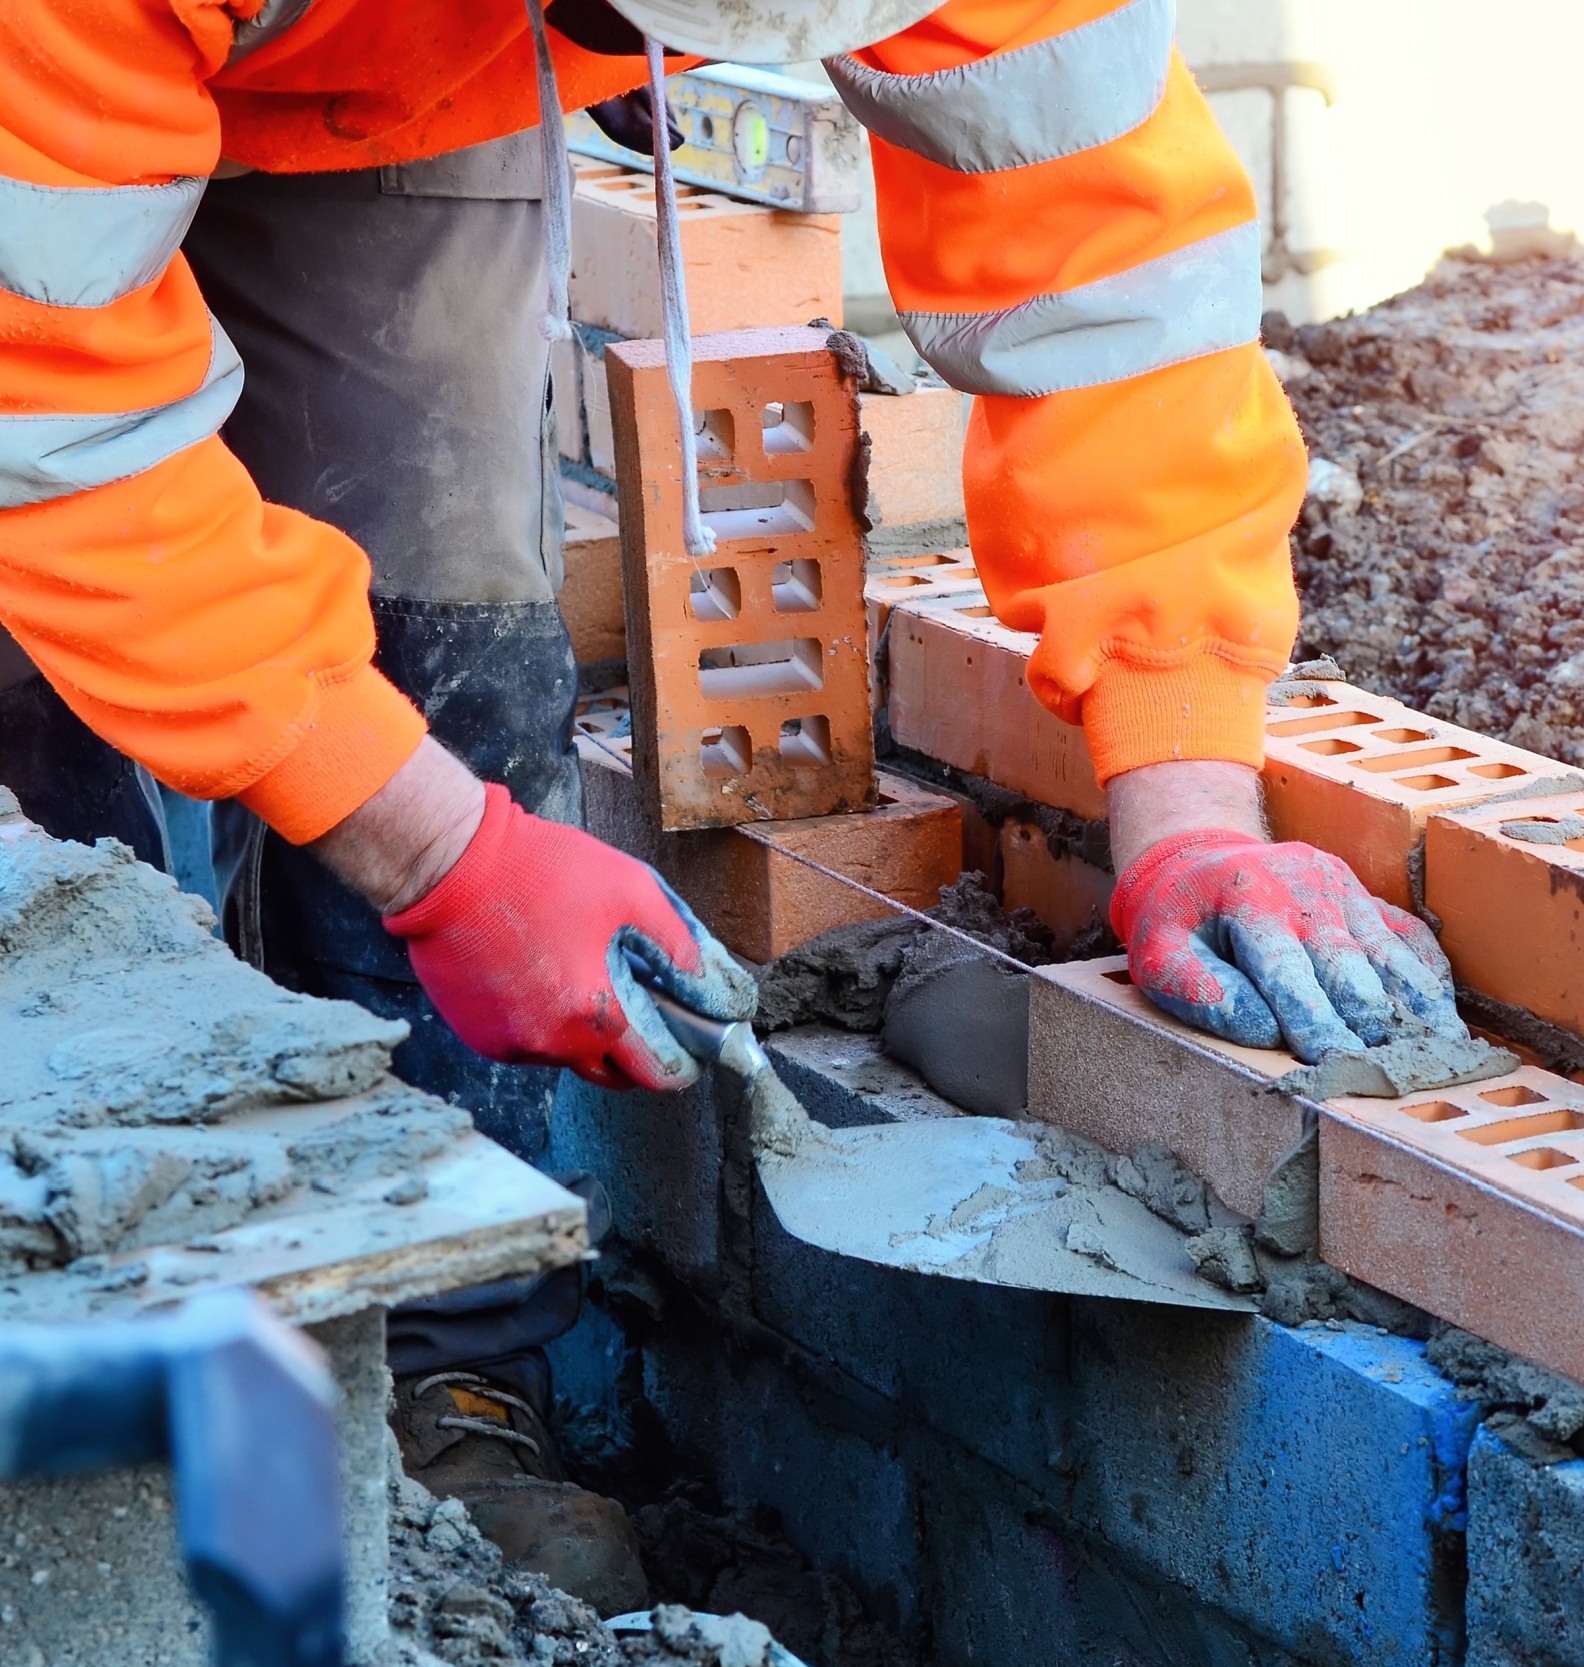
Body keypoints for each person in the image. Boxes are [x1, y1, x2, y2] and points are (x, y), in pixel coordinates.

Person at [0, 0, 1460, 1608]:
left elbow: (1111, 272)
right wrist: (436, 854)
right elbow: (47, 424)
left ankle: (438, 1384)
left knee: (447, 642)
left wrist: (1187, 788)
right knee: (50, 768)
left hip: (402, 68)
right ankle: (97, 1400)